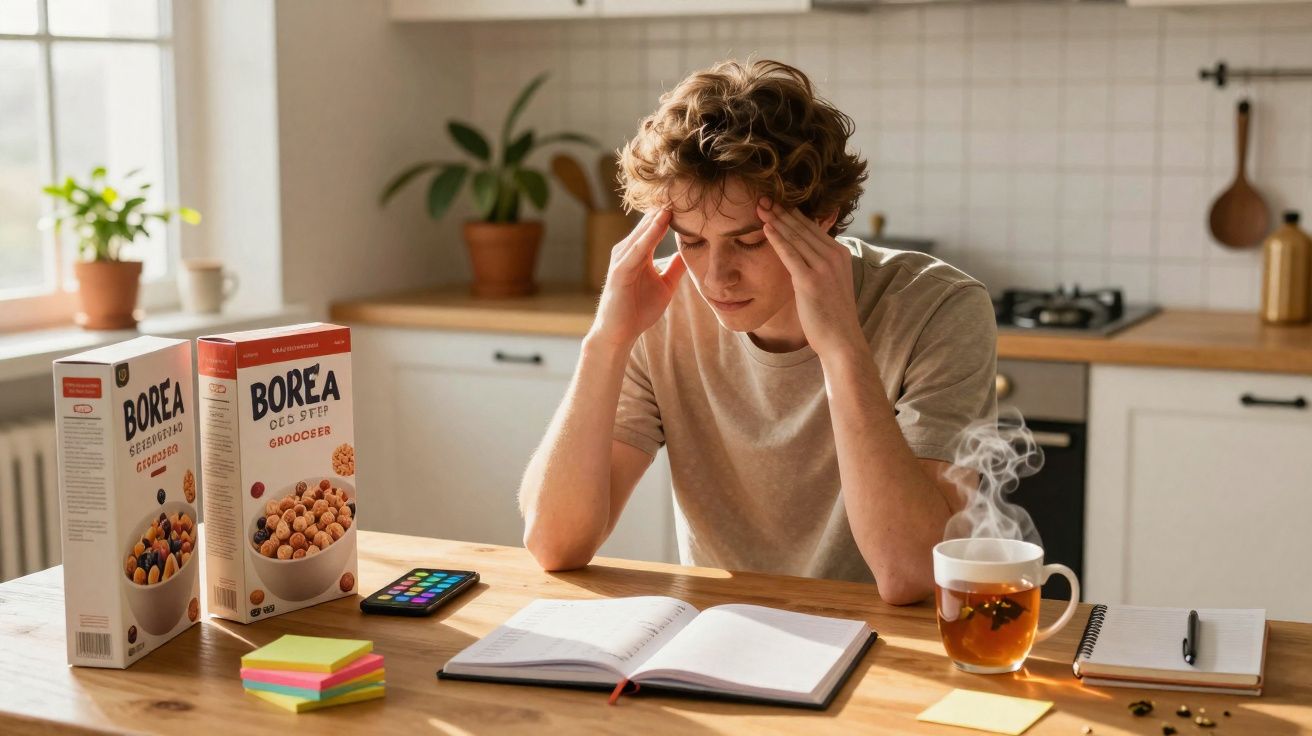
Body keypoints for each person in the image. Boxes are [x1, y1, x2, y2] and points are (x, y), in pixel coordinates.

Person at [517, 59, 995, 605]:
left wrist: (840, 347)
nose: (716, 277)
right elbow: (554, 545)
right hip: (719, 641)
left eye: (748, 242)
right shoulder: (662, 311)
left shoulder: (938, 308)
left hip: (891, 649)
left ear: (822, 220)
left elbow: (913, 574)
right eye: (691, 241)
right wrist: (605, 341)